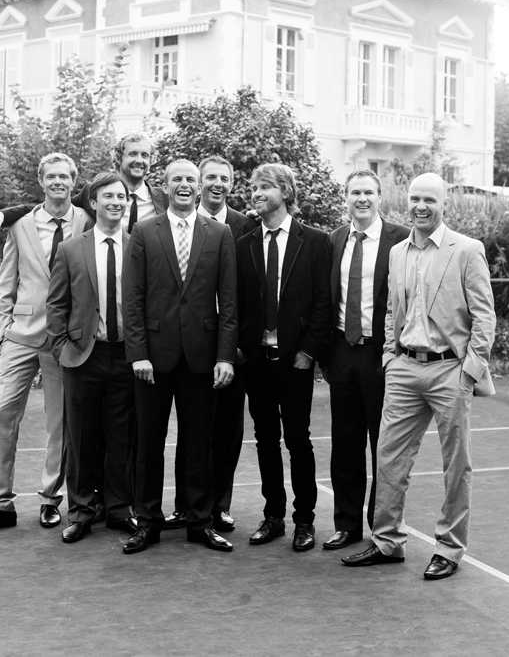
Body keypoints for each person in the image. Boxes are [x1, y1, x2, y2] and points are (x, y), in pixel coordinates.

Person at [342, 172, 496, 580]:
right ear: (405, 202)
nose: (421, 206)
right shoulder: (397, 252)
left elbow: (484, 316)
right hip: (405, 369)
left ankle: (449, 547)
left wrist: (470, 371)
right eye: (414, 199)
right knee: (390, 459)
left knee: (455, 465)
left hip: (451, 370)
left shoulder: (467, 250)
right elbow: (394, 309)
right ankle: (387, 541)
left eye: (429, 199)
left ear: (444, 204)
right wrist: (392, 356)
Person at [0, 153, 89, 534]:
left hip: (63, 337)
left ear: (73, 182)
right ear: (41, 181)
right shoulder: (20, 224)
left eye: (65, 176)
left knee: (59, 422)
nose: (58, 182)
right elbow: (7, 277)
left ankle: (51, 500)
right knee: (3, 412)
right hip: (21, 333)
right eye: (51, 176)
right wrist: (3, 328)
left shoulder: (86, 220)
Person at [122, 159, 238, 554]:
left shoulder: (219, 233)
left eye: (191, 179)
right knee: (148, 441)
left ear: (199, 186)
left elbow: (230, 301)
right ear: (165, 187)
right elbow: (132, 298)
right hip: (153, 358)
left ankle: (198, 520)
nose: (185, 185)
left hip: (202, 357)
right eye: (177, 180)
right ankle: (148, 521)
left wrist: (225, 356)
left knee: (198, 442)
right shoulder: (143, 231)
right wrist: (137, 353)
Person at [237, 163, 331, 552]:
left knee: (298, 440)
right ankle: (273, 516)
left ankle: (304, 520)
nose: (255, 193)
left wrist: (308, 352)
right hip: (257, 360)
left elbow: (324, 303)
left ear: (286, 192)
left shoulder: (316, 242)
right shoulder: (243, 242)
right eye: (253, 187)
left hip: (296, 361)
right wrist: (242, 346)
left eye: (264, 187)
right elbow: (238, 302)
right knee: (264, 439)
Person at [165, 156, 254, 534]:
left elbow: (248, 290)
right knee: (190, 429)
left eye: (225, 178)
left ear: (232, 184)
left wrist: (237, 345)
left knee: (228, 430)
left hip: (230, 347)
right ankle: (185, 505)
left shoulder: (245, 226)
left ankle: (220, 504)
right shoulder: (177, 222)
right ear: (199, 183)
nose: (217, 183)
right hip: (188, 345)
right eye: (211, 177)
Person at [47, 171, 136, 543]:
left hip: (128, 356)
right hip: (83, 355)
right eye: (108, 196)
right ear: (94, 202)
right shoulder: (70, 249)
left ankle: (118, 508)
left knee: (122, 437)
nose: (116, 202)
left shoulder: (139, 246)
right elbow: (56, 305)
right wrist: (61, 348)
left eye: (122, 197)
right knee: (82, 438)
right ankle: (81, 511)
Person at [321, 170, 408, 550]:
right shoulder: (334, 240)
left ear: (379, 197)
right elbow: (326, 301)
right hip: (343, 353)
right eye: (355, 192)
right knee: (345, 444)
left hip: (382, 354)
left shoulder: (401, 240)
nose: (362, 199)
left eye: (368, 192)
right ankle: (346, 524)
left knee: (384, 447)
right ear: (346, 196)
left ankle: (382, 526)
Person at [0, 132, 167, 232]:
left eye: (145, 155)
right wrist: (3, 216)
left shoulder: (162, 199)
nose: (140, 160)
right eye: (133, 154)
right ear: (119, 158)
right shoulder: (95, 191)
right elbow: (52, 208)